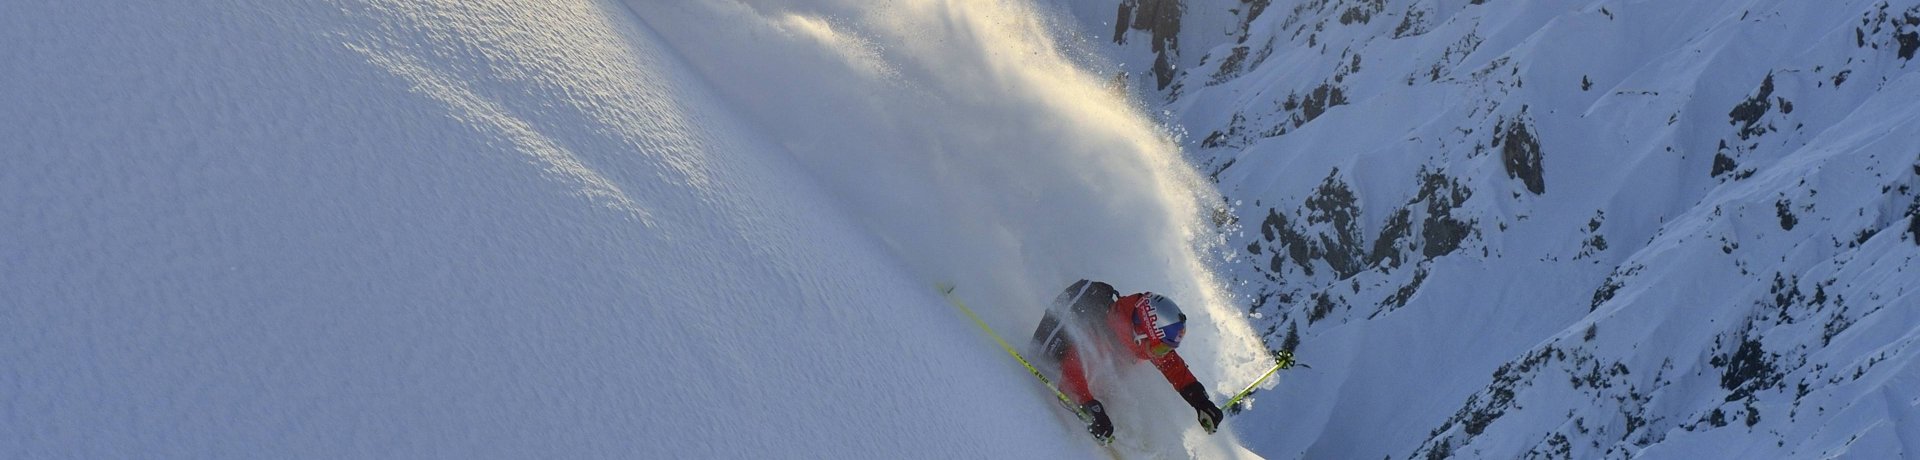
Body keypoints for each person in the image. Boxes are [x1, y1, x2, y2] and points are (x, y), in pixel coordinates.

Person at [1028, 279, 1224, 441]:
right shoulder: (1099, 335)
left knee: (1112, 388)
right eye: (1161, 347)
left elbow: (1173, 366)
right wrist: (1090, 406)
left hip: (1114, 347)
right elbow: (1071, 376)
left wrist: (1200, 401)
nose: (1162, 355)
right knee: (1047, 360)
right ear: (1142, 332)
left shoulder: (1146, 343)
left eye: (1167, 348)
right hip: (1066, 338)